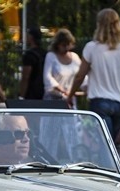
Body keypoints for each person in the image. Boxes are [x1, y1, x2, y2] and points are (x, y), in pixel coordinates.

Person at [67, 8, 120, 140]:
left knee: (103, 144)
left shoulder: (92, 48)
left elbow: (80, 76)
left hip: (100, 102)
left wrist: (70, 95)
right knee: (111, 143)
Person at [40, 28, 83, 160]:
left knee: (73, 133)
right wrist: (61, 89)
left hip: (69, 100)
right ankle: (47, 159)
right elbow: (47, 78)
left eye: (68, 44)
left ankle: (75, 160)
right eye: (63, 44)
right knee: (49, 134)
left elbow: (81, 76)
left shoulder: (75, 57)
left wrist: (83, 88)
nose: (66, 47)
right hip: (53, 99)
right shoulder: (51, 56)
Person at [19, 27, 46, 100]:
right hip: (44, 90)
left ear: (31, 37)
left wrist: (21, 95)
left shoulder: (29, 55)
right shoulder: (45, 53)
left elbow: (25, 77)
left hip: (32, 92)